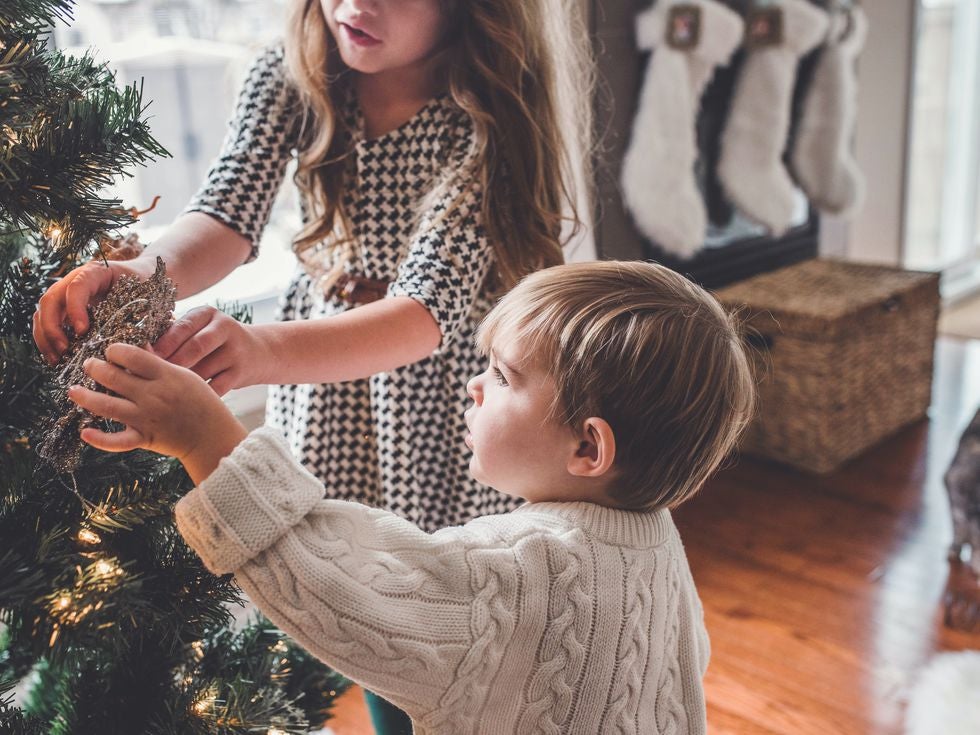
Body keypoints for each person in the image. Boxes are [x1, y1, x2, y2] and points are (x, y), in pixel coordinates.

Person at [34, 1, 591, 729]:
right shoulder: (293, 72)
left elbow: (424, 313)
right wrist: (146, 272)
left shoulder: (484, 114)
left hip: (435, 407)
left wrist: (262, 349)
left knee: (423, 622)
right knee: (331, 592)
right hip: (327, 400)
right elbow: (227, 215)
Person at [67, 260, 756, 734]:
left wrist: (204, 438)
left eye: (504, 376)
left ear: (588, 449)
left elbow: (331, 581)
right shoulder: (655, 540)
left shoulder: (524, 568)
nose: (474, 386)